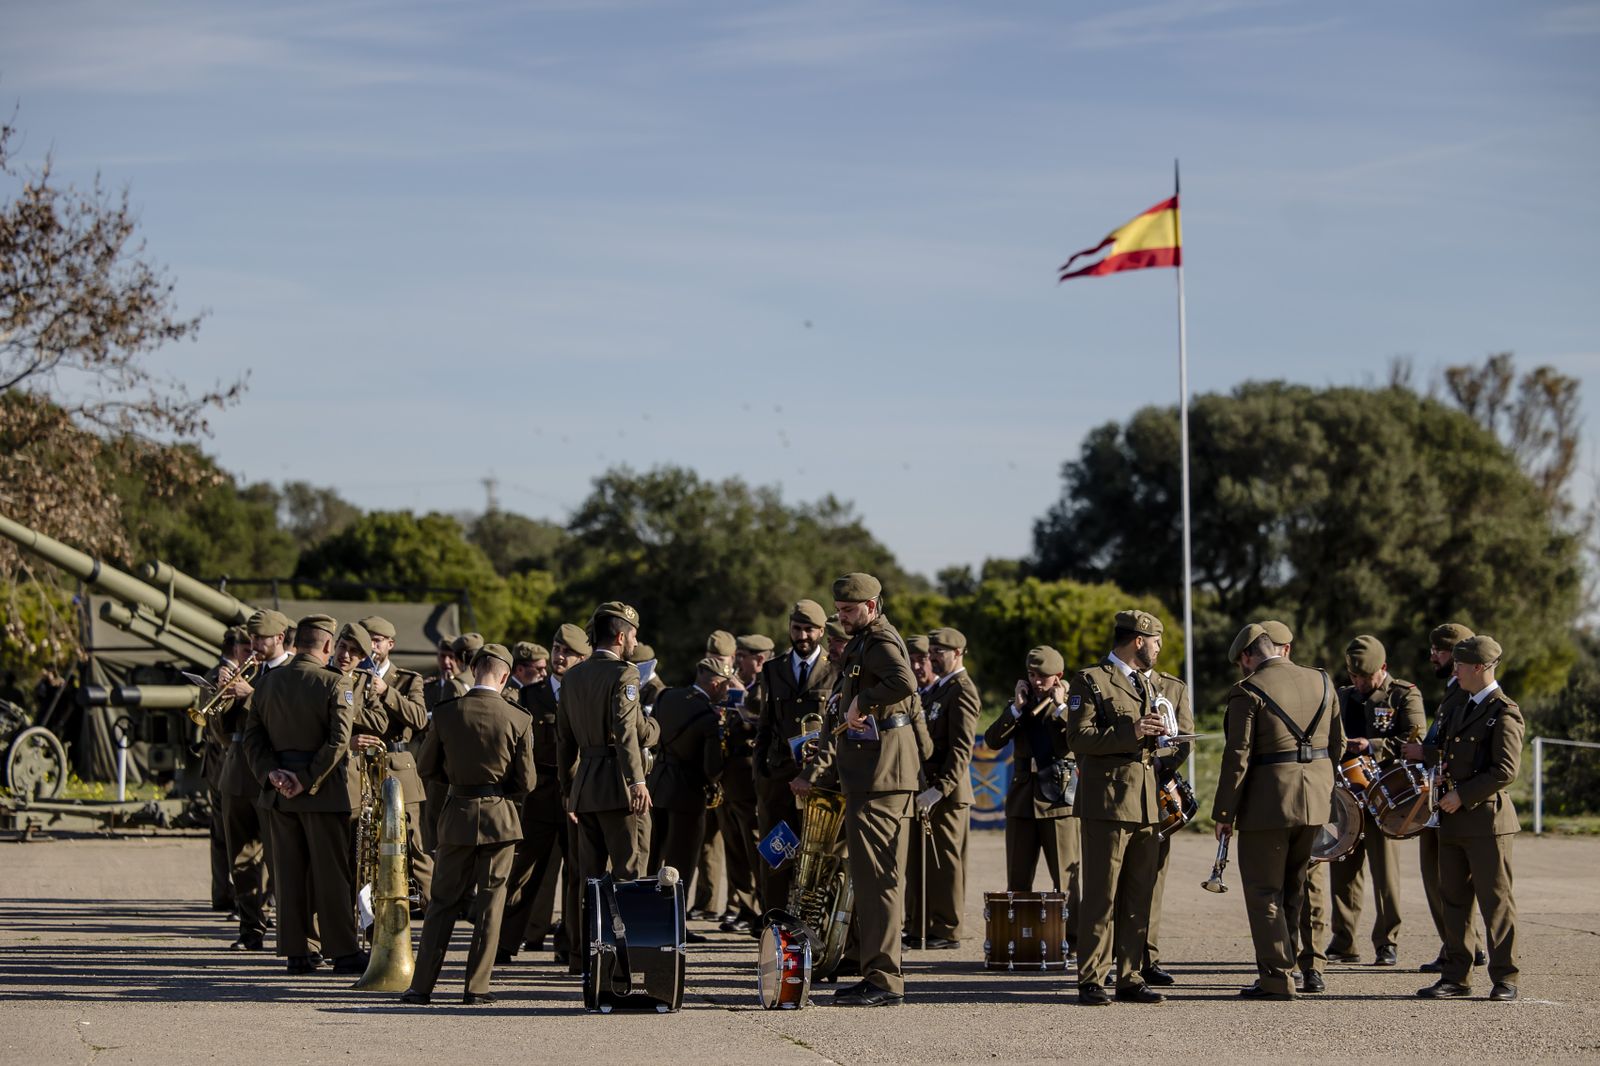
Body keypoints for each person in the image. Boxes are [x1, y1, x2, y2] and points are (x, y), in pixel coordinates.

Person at [792, 573, 931, 1007]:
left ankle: (885, 979)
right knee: (870, 882)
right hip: (869, 775)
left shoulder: (881, 639)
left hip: (882, 778)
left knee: (880, 882)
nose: (842, 617)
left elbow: (904, 682)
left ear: (872, 605)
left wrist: (862, 701)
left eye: (849, 610)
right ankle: (876, 970)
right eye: (840, 610)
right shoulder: (865, 639)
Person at [1212, 623, 1345, 1000]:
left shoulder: (1247, 691)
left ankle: (1276, 978)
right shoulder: (1322, 680)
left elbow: (1237, 757)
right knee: (1296, 888)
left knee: (1263, 892)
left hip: (1268, 805)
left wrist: (1225, 812)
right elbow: (1338, 744)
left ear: (1247, 656)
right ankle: (1293, 968)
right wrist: (1319, 785)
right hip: (1317, 803)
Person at [402, 644, 536, 1005]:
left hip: (457, 813)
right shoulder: (518, 718)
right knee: (491, 904)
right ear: (506, 676)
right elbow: (527, 781)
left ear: (474, 668)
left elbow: (427, 767)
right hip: (500, 819)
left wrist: (458, 777)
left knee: (442, 903)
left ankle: (422, 986)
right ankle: (476, 988)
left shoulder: (446, 713)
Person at [241, 613, 366, 975]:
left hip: (280, 794)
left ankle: (297, 951)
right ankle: (342, 952)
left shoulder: (267, 684)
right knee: (331, 876)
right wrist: (307, 779)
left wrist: (274, 774)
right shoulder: (335, 684)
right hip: (323, 793)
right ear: (328, 645)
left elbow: (253, 739)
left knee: (289, 874)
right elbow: (339, 741)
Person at [1067, 610, 1172, 1006]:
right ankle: (1091, 978)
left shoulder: (1149, 684)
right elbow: (1078, 738)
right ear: (1138, 641)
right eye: (1156, 642)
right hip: (1108, 803)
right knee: (1101, 894)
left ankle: (1128, 977)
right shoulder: (1091, 680)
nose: (1159, 649)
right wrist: (1132, 732)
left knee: (1137, 894)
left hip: (1146, 802)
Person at [1413, 635, 1522, 1002]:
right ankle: (1456, 976)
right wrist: (1443, 779)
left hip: (1486, 821)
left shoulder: (1504, 711)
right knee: (1454, 900)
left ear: (1479, 667)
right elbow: (1448, 752)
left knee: (1496, 901)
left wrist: (1463, 793)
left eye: (1460, 665)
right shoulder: (1460, 707)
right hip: (1452, 819)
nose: (1454, 670)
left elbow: (1505, 770)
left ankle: (1506, 977)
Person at [1327, 634, 1425, 967]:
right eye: (1353, 676)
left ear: (1382, 669)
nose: (1358, 682)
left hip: (1388, 797)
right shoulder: (1342, 696)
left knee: (1386, 875)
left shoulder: (1403, 695)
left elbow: (1416, 738)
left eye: (1364, 677)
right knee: (1342, 871)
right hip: (1347, 797)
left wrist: (1370, 745)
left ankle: (1387, 942)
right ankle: (1343, 942)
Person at [556, 602, 652, 936]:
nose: (636, 644)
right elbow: (626, 733)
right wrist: (637, 781)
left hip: (585, 787)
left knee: (590, 880)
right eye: (634, 636)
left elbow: (564, 741)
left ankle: (584, 957)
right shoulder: (625, 674)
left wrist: (569, 790)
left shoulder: (572, 677)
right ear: (622, 636)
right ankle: (628, 953)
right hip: (617, 786)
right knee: (629, 874)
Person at [500, 624, 588, 966]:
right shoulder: (528, 696)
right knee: (525, 869)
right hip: (539, 793)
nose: (559, 656)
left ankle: (571, 945)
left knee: (577, 873)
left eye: (567, 652)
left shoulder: (585, 694)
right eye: (556, 649)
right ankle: (505, 943)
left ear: (582, 658)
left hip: (577, 795)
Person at [982, 647, 1077, 927]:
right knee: (1018, 877)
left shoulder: (1071, 706)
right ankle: (1020, 938)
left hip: (1058, 800)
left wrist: (1060, 707)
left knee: (1066, 877)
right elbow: (992, 741)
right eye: (1032, 675)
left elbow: (1078, 742)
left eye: (1044, 676)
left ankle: (1071, 940)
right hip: (1023, 799)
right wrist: (1015, 709)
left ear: (1058, 677)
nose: (1037, 682)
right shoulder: (1020, 706)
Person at [752, 599, 837, 913]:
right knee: (776, 854)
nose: (802, 636)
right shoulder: (773, 669)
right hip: (778, 781)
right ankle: (774, 921)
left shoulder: (836, 668)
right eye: (797, 628)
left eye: (809, 630)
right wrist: (760, 773)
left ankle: (812, 922)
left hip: (820, 783)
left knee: (817, 857)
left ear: (821, 631)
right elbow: (765, 723)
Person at [214, 610, 292, 951]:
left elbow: (290, 719)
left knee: (280, 859)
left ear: (280, 637)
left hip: (274, 773)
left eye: (261, 639)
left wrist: (250, 694)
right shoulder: (250, 670)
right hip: (237, 774)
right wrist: (221, 696)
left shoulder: (294, 672)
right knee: (242, 858)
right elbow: (223, 730)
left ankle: (293, 932)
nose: (254, 646)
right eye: (250, 640)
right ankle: (250, 929)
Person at [1415, 622, 1486, 973]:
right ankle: (1458, 945)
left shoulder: (1465, 692)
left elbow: (1451, 747)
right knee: (1440, 880)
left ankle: (1463, 947)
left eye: (1440, 651)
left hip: (1454, 800)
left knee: (1446, 881)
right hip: (1442, 798)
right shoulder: (1453, 689)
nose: (1434, 656)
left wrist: (1422, 752)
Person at [903, 627, 979, 950]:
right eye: (931, 652)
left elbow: (962, 749)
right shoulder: (938, 690)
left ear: (958, 653)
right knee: (923, 864)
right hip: (928, 789)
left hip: (948, 793)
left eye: (939, 652)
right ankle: (921, 925)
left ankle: (947, 929)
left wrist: (941, 788)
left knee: (946, 864)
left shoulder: (962, 689)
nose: (933, 657)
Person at [647, 657, 733, 919]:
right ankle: (673, 922)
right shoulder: (708, 717)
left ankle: (646, 916)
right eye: (725, 686)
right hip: (688, 794)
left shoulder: (666, 697)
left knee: (653, 857)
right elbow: (712, 769)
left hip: (658, 786)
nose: (726, 691)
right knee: (681, 863)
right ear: (716, 683)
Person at [1141, 625, 1193, 989]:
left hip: (1158, 794)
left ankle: (1147, 958)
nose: (1159, 647)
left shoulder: (1173, 688)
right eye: (1156, 641)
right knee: (1112, 881)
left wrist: (1165, 763)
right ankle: (1109, 958)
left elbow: (1185, 738)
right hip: (1120, 794)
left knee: (1153, 880)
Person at [718, 634, 772, 933]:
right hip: (730, 781)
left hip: (752, 782)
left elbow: (761, 721)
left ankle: (765, 907)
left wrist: (742, 697)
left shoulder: (765, 686)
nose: (737, 662)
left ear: (760, 660)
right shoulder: (734, 686)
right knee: (735, 849)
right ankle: (746, 907)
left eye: (744, 657)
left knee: (756, 848)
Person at [203, 627, 250, 914]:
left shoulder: (221, 673)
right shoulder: (219, 675)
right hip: (225, 758)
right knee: (227, 833)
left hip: (221, 761)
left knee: (222, 834)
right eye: (246, 648)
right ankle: (228, 894)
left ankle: (224, 892)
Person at [420, 638, 465, 855]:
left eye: (452, 657)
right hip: (431, 767)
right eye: (442, 656)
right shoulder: (426, 688)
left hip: (456, 768)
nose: (447, 662)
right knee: (429, 825)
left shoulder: (467, 688)